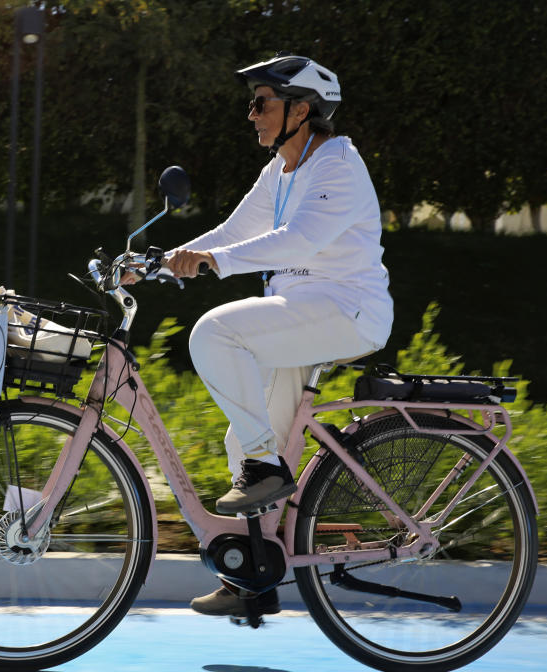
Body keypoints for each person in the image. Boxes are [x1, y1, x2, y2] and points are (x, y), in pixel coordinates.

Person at [130, 52, 394, 618]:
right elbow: (236, 230)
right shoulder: (280, 170)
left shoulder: (337, 165)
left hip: (345, 309)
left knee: (214, 335)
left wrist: (213, 262)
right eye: (252, 104)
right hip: (299, 313)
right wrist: (158, 263)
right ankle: (254, 577)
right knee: (242, 441)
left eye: (262, 102)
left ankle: (268, 470)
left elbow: (296, 242)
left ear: (303, 109)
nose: (252, 114)